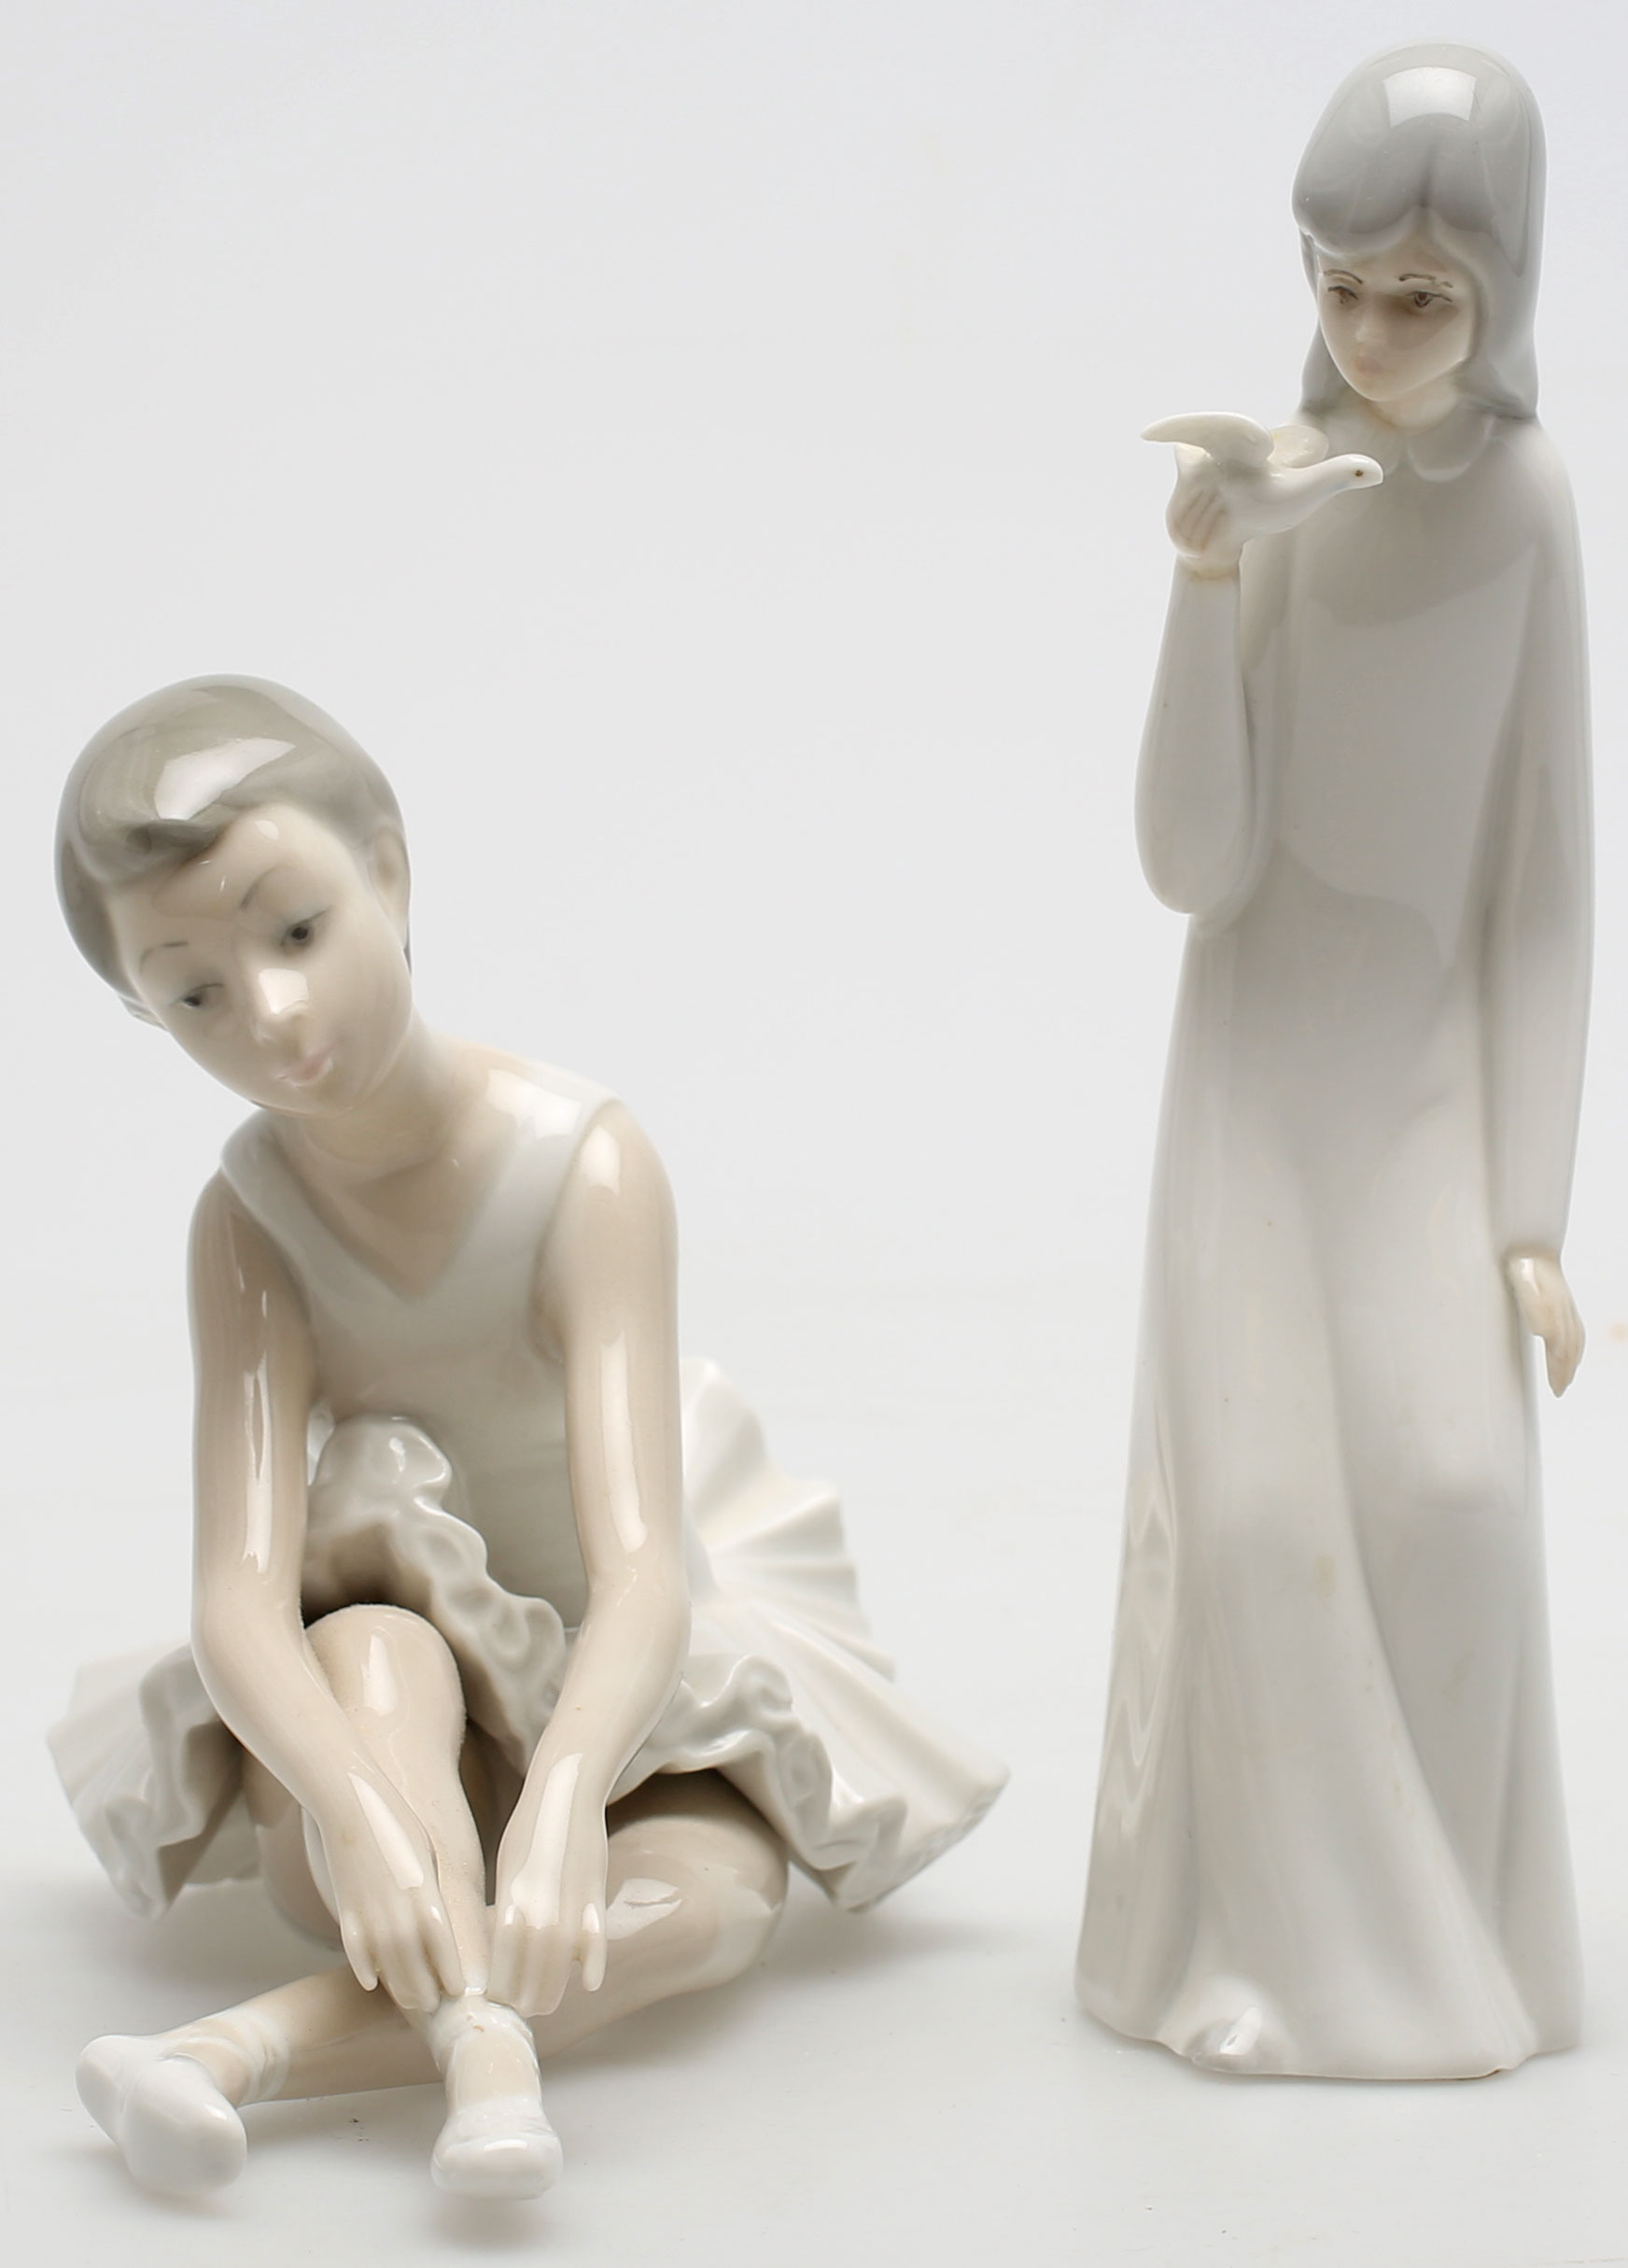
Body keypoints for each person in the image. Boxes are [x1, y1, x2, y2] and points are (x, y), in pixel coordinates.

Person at [52, 675, 1004, 2197]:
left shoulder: (584, 1165)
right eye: (194, 994)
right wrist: (353, 1809)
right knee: (381, 1658)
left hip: (618, 1697)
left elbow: (641, 1563)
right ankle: (488, 2068)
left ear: (389, 871)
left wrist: (564, 1795)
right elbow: (239, 1593)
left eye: (295, 931)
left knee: (713, 1903)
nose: (272, 1014)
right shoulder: (248, 1226)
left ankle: (226, 2052)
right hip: (387, 1729)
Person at [1076, 44, 1592, 2079]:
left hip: (1425, 1080)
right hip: (1257, 1071)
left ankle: (1463, 1941)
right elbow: (1188, 865)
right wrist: (1205, 575)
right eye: (1339, 285)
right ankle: (1251, 1960)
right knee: (1258, 1513)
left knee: (1456, 1491)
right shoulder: (1275, 495)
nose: (1369, 335)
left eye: (1421, 296)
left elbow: (1546, 887)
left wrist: (1531, 1212)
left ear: (1503, 289)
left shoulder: (1533, 507)